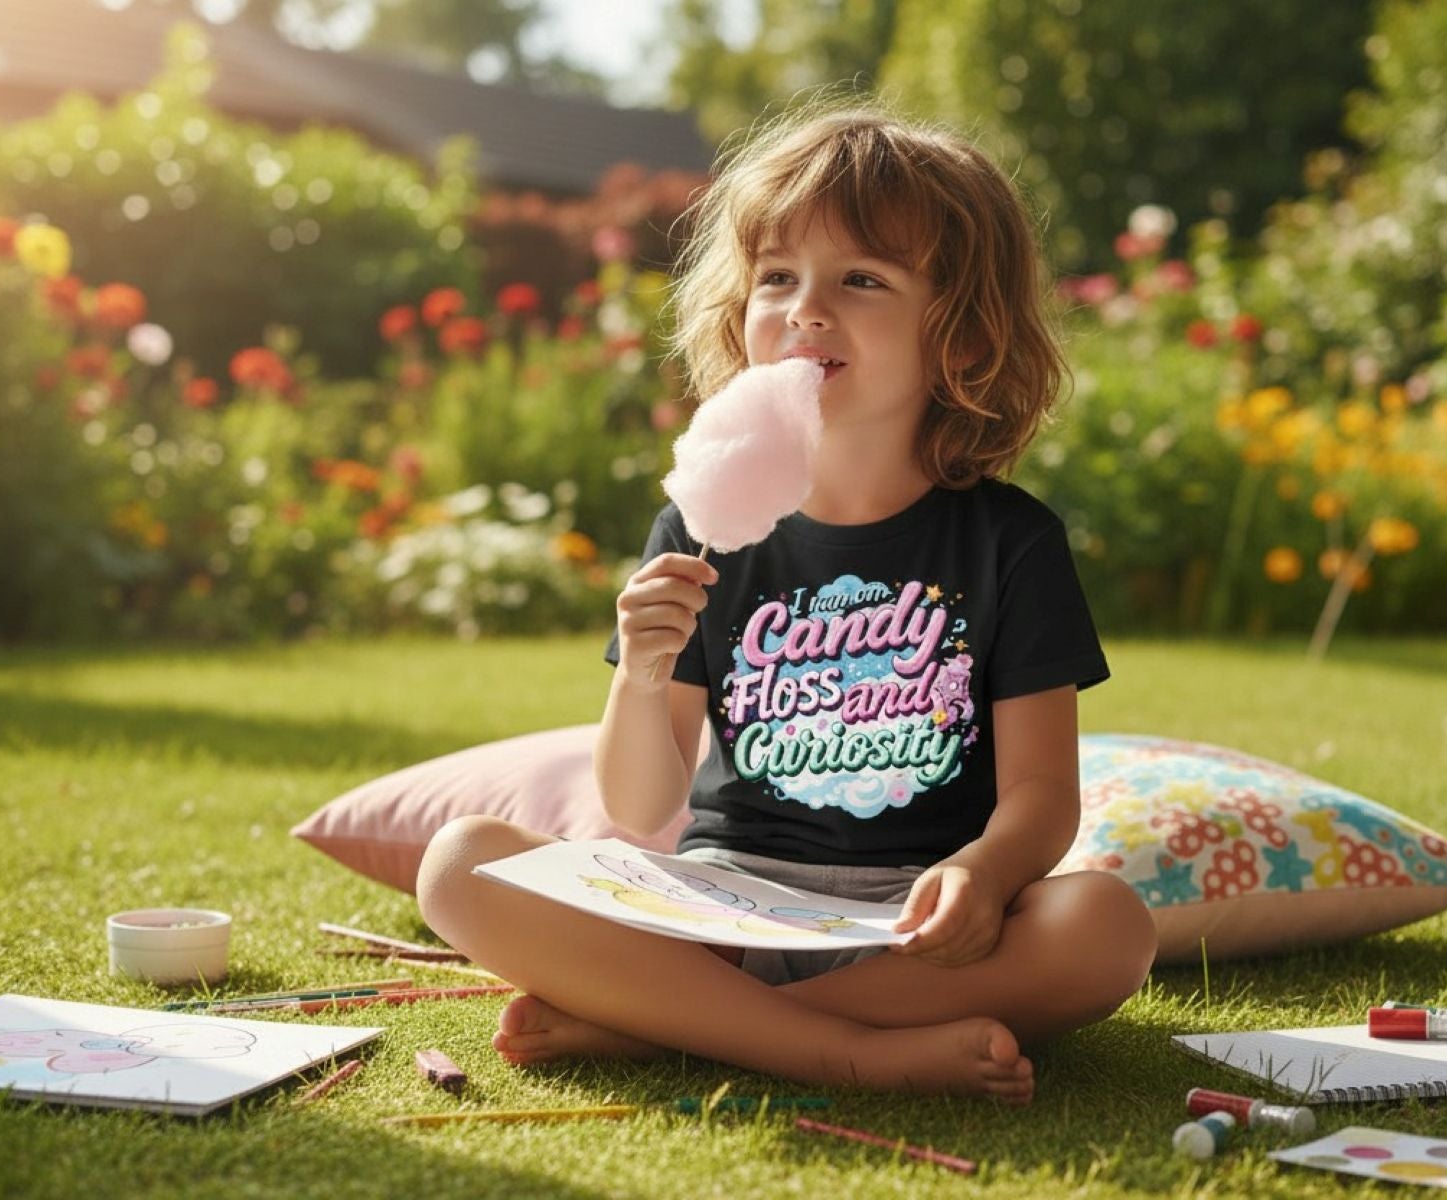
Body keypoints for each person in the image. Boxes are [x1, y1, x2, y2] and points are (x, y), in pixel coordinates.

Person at [418, 103, 1156, 1104]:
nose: (807, 309)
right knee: (461, 861)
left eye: (862, 279)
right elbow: (639, 808)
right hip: (720, 911)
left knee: (1107, 925)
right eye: (777, 277)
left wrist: (983, 876)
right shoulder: (701, 529)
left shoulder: (1010, 542)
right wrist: (641, 677)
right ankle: (836, 1052)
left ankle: (672, 1026)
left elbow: (1042, 795)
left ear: (961, 332)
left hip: (916, 927)